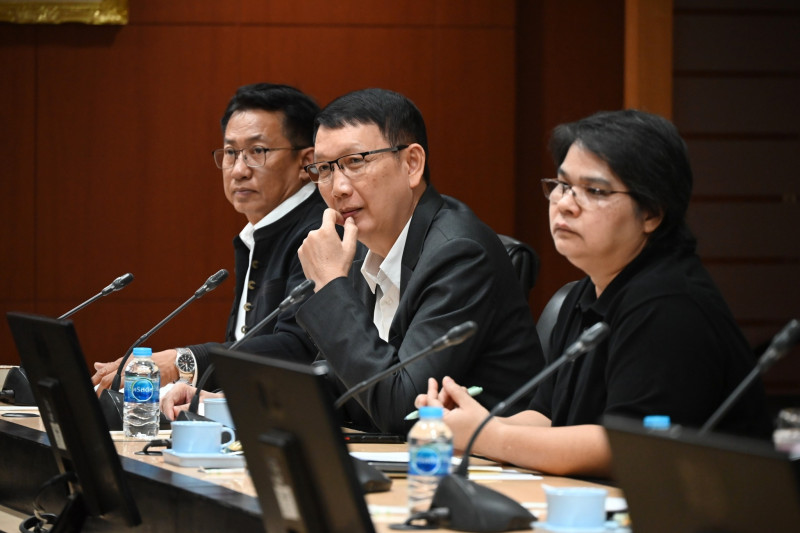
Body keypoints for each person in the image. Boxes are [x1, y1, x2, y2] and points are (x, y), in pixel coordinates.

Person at [415, 109, 773, 477]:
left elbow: (622, 446)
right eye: (562, 184)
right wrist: (469, 423)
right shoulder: (589, 291)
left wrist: (486, 435)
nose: (565, 204)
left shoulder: (671, 304)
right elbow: (547, 417)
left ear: (651, 213)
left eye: (595, 191)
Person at [295, 88, 544, 435]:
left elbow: (404, 409)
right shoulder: (362, 249)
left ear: (412, 164)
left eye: (355, 162)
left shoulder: (459, 254)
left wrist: (330, 288)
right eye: (323, 168)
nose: (338, 188)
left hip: (481, 462)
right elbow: (341, 387)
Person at [91, 83, 326, 418]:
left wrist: (182, 362)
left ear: (306, 162)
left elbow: (299, 347)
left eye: (257, 151)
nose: (239, 169)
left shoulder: (320, 233)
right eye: (231, 153)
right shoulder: (259, 234)